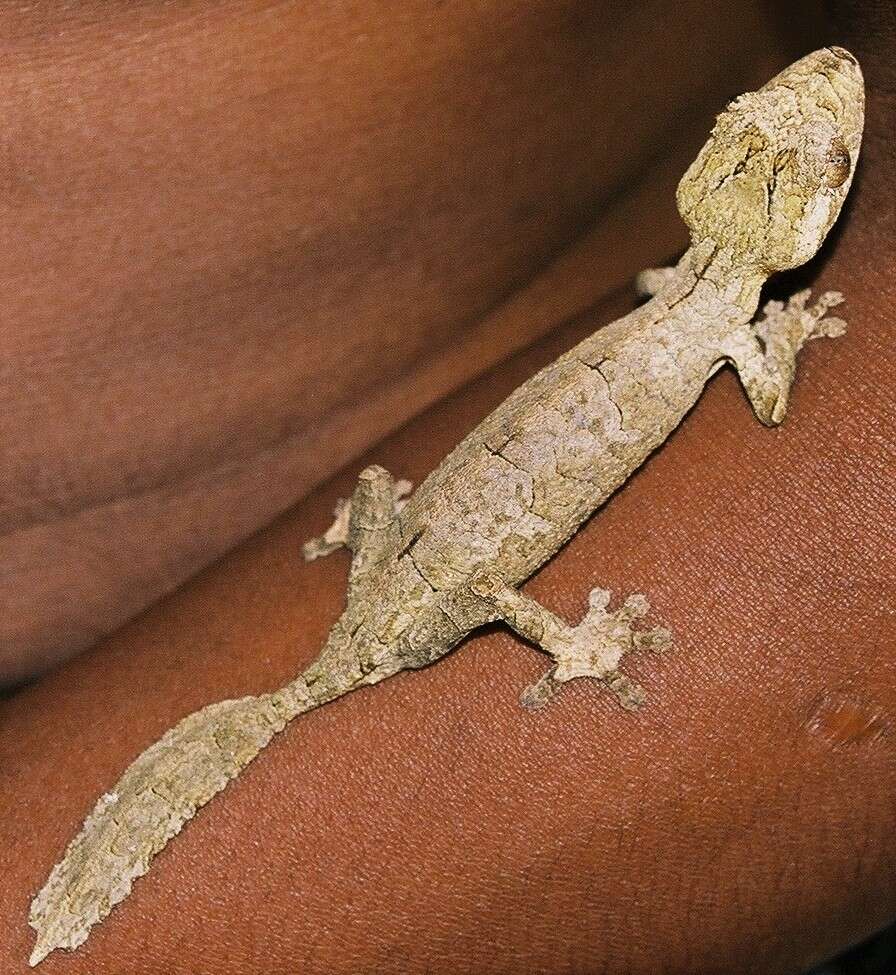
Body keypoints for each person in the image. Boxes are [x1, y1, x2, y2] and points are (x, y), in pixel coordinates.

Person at [0, 1, 892, 972]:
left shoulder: (676, 296)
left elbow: (655, 294)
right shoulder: (715, 327)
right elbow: (767, 405)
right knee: (469, 588)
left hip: (403, 549)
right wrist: (786, 340)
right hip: (439, 588)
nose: (826, 73)